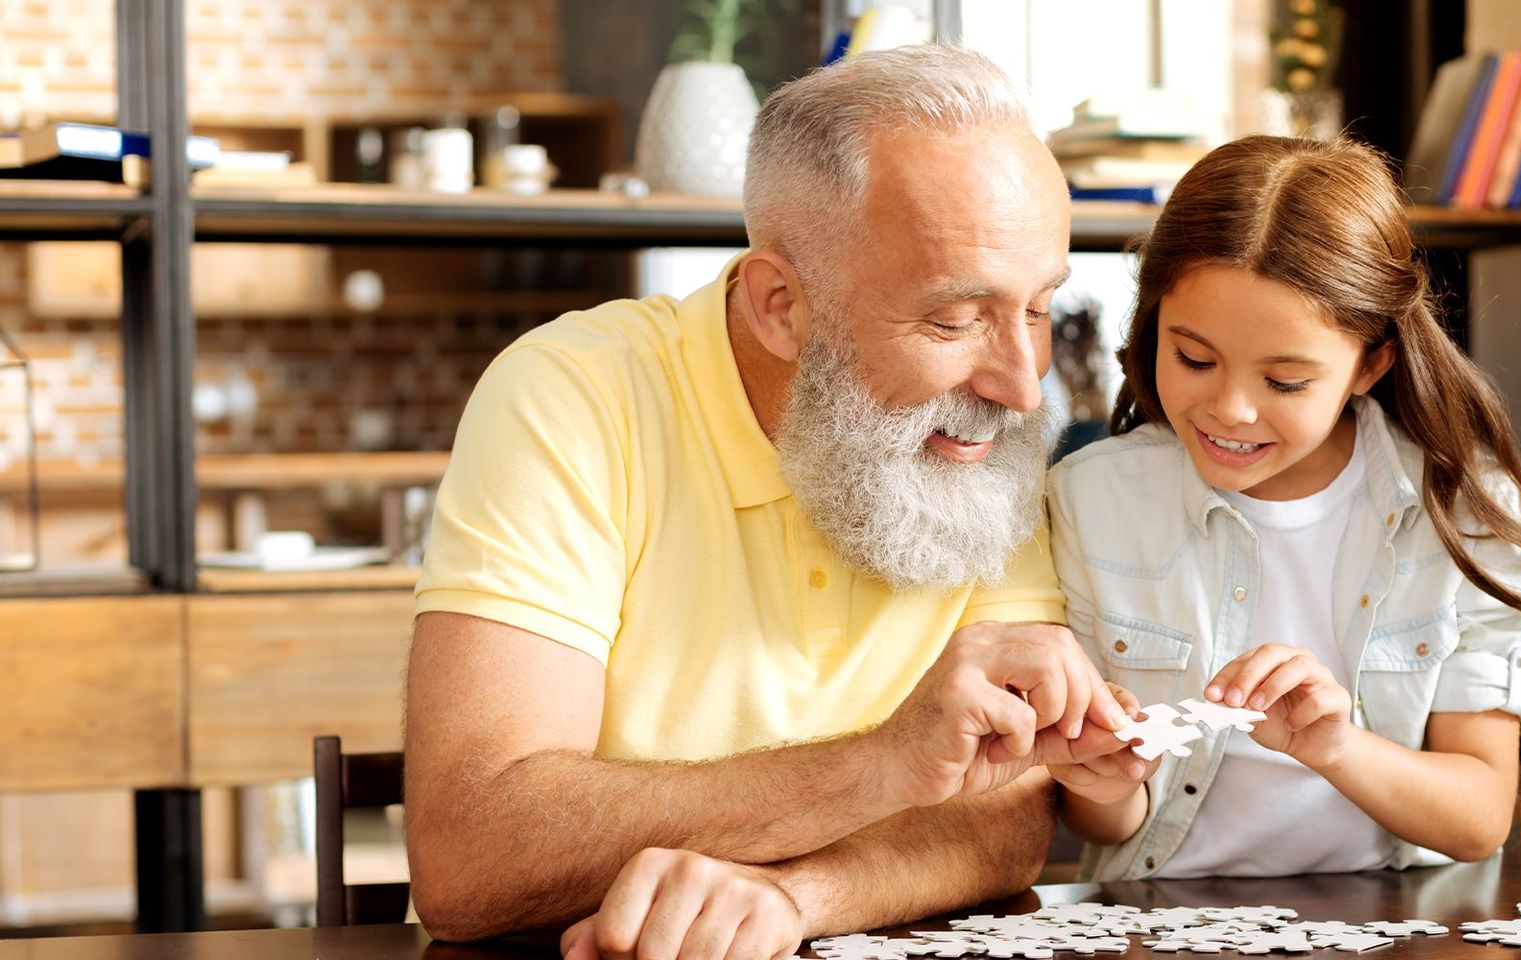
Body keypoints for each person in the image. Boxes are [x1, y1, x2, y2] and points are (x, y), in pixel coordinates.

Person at [403, 45, 1132, 956]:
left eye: (1038, 307)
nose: (1024, 387)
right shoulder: (573, 394)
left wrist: (797, 899)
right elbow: (471, 858)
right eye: (952, 320)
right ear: (781, 304)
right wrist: (878, 768)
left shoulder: (982, 438)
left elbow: (1012, 810)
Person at [1044, 135, 1521, 880]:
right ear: (1154, 321)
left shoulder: (1468, 511)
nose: (1230, 410)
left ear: (1371, 362)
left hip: (1396, 921)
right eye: (1194, 359)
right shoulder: (1089, 498)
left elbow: (1478, 819)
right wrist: (1104, 780)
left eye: (1287, 381)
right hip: (1159, 918)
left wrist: (1336, 745)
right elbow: (1101, 820)